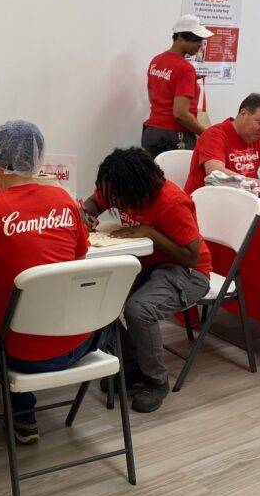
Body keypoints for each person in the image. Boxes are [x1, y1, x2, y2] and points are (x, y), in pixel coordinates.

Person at [0, 121, 92, 444]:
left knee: (2, 304)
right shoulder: (63, 199)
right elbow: (79, 257)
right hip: (81, 341)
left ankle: (21, 412)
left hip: (26, 355)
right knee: (5, 299)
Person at [83, 148, 211, 413]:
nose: (112, 203)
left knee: (139, 310)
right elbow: (94, 202)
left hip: (188, 272)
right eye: (109, 196)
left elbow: (191, 257)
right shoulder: (118, 186)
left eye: (116, 198)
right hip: (147, 265)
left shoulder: (171, 202)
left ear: (136, 188)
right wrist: (86, 214)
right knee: (98, 298)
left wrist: (149, 233)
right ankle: (132, 366)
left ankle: (156, 381)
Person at [183, 92, 260, 194]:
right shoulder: (214, 135)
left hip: (242, 200)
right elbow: (217, 174)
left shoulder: (259, 137)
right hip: (207, 202)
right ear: (243, 114)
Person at [141, 15, 213, 157]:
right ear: (180, 37)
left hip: (152, 133)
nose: (200, 44)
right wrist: (205, 133)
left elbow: (153, 96)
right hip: (175, 137)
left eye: (201, 40)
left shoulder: (157, 60)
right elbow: (180, 114)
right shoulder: (185, 69)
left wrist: (189, 79)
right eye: (196, 39)